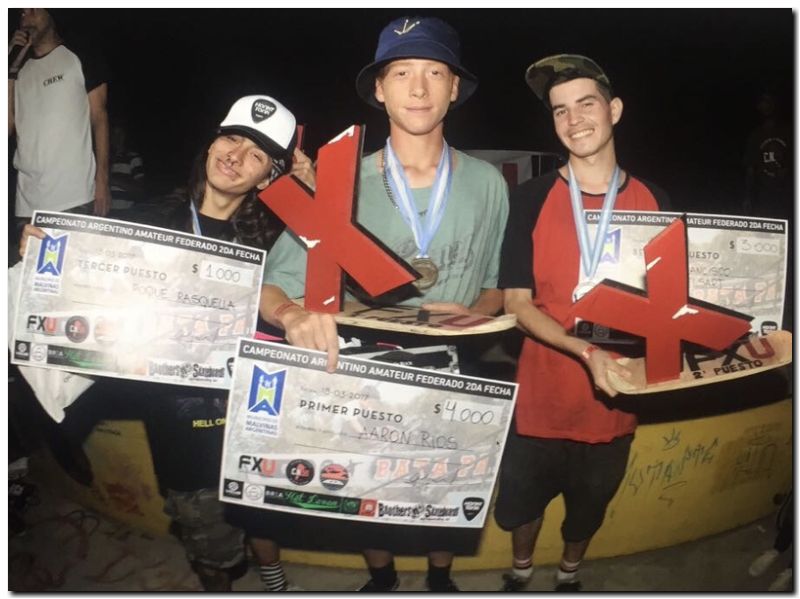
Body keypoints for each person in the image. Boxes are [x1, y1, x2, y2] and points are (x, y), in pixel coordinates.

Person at [228, 15, 509, 592]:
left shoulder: (488, 183)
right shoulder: (341, 182)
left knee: (444, 486)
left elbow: (495, 283)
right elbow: (271, 286)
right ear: (379, 89)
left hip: (452, 372)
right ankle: (381, 578)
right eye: (401, 73)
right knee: (363, 487)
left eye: (435, 72)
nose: (419, 88)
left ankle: (439, 579)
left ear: (455, 87)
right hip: (365, 373)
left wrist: (479, 311)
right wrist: (294, 315)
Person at [19, 94, 315, 591]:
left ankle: (273, 578)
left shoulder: (274, 240)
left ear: (268, 177)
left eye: (256, 154)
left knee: (259, 510)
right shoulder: (149, 221)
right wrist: (44, 248)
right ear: (212, 143)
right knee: (209, 536)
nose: (235, 155)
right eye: (231, 138)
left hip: (251, 407)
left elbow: (333, 265)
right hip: (179, 416)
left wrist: (312, 193)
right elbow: (83, 280)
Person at [493, 55, 670, 592]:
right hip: (539, 401)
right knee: (521, 508)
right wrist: (584, 351)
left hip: (614, 404)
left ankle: (569, 576)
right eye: (560, 110)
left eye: (586, 104)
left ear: (614, 110)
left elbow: (667, 307)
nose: (574, 120)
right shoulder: (529, 198)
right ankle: (521, 573)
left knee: (589, 509)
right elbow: (517, 304)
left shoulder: (655, 201)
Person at [8, 8, 111, 243]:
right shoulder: (18, 70)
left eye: (33, 9)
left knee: (73, 264)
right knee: (30, 265)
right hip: (28, 201)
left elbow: (100, 117)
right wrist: (8, 70)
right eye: (22, 12)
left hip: (75, 195)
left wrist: (103, 181)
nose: (26, 15)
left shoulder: (79, 55)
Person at [742, 91, 792, 220]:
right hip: (763, 194)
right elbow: (750, 168)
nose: (765, 106)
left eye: (768, 102)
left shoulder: (790, 132)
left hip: (788, 194)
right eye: (762, 103)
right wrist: (748, 197)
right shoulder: (755, 135)